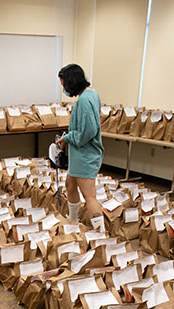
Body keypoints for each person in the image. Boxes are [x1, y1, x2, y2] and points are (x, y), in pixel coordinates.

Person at [56, 63, 104, 226]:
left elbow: (87, 132)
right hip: (80, 155)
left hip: (86, 155)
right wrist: (67, 138)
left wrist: (69, 137)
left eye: (65, 85)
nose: (65, 90)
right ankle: (73, 221)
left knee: (89, 196)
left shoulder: (84, 101)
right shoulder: (91, 94)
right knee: (70, 184)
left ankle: (101, 235)